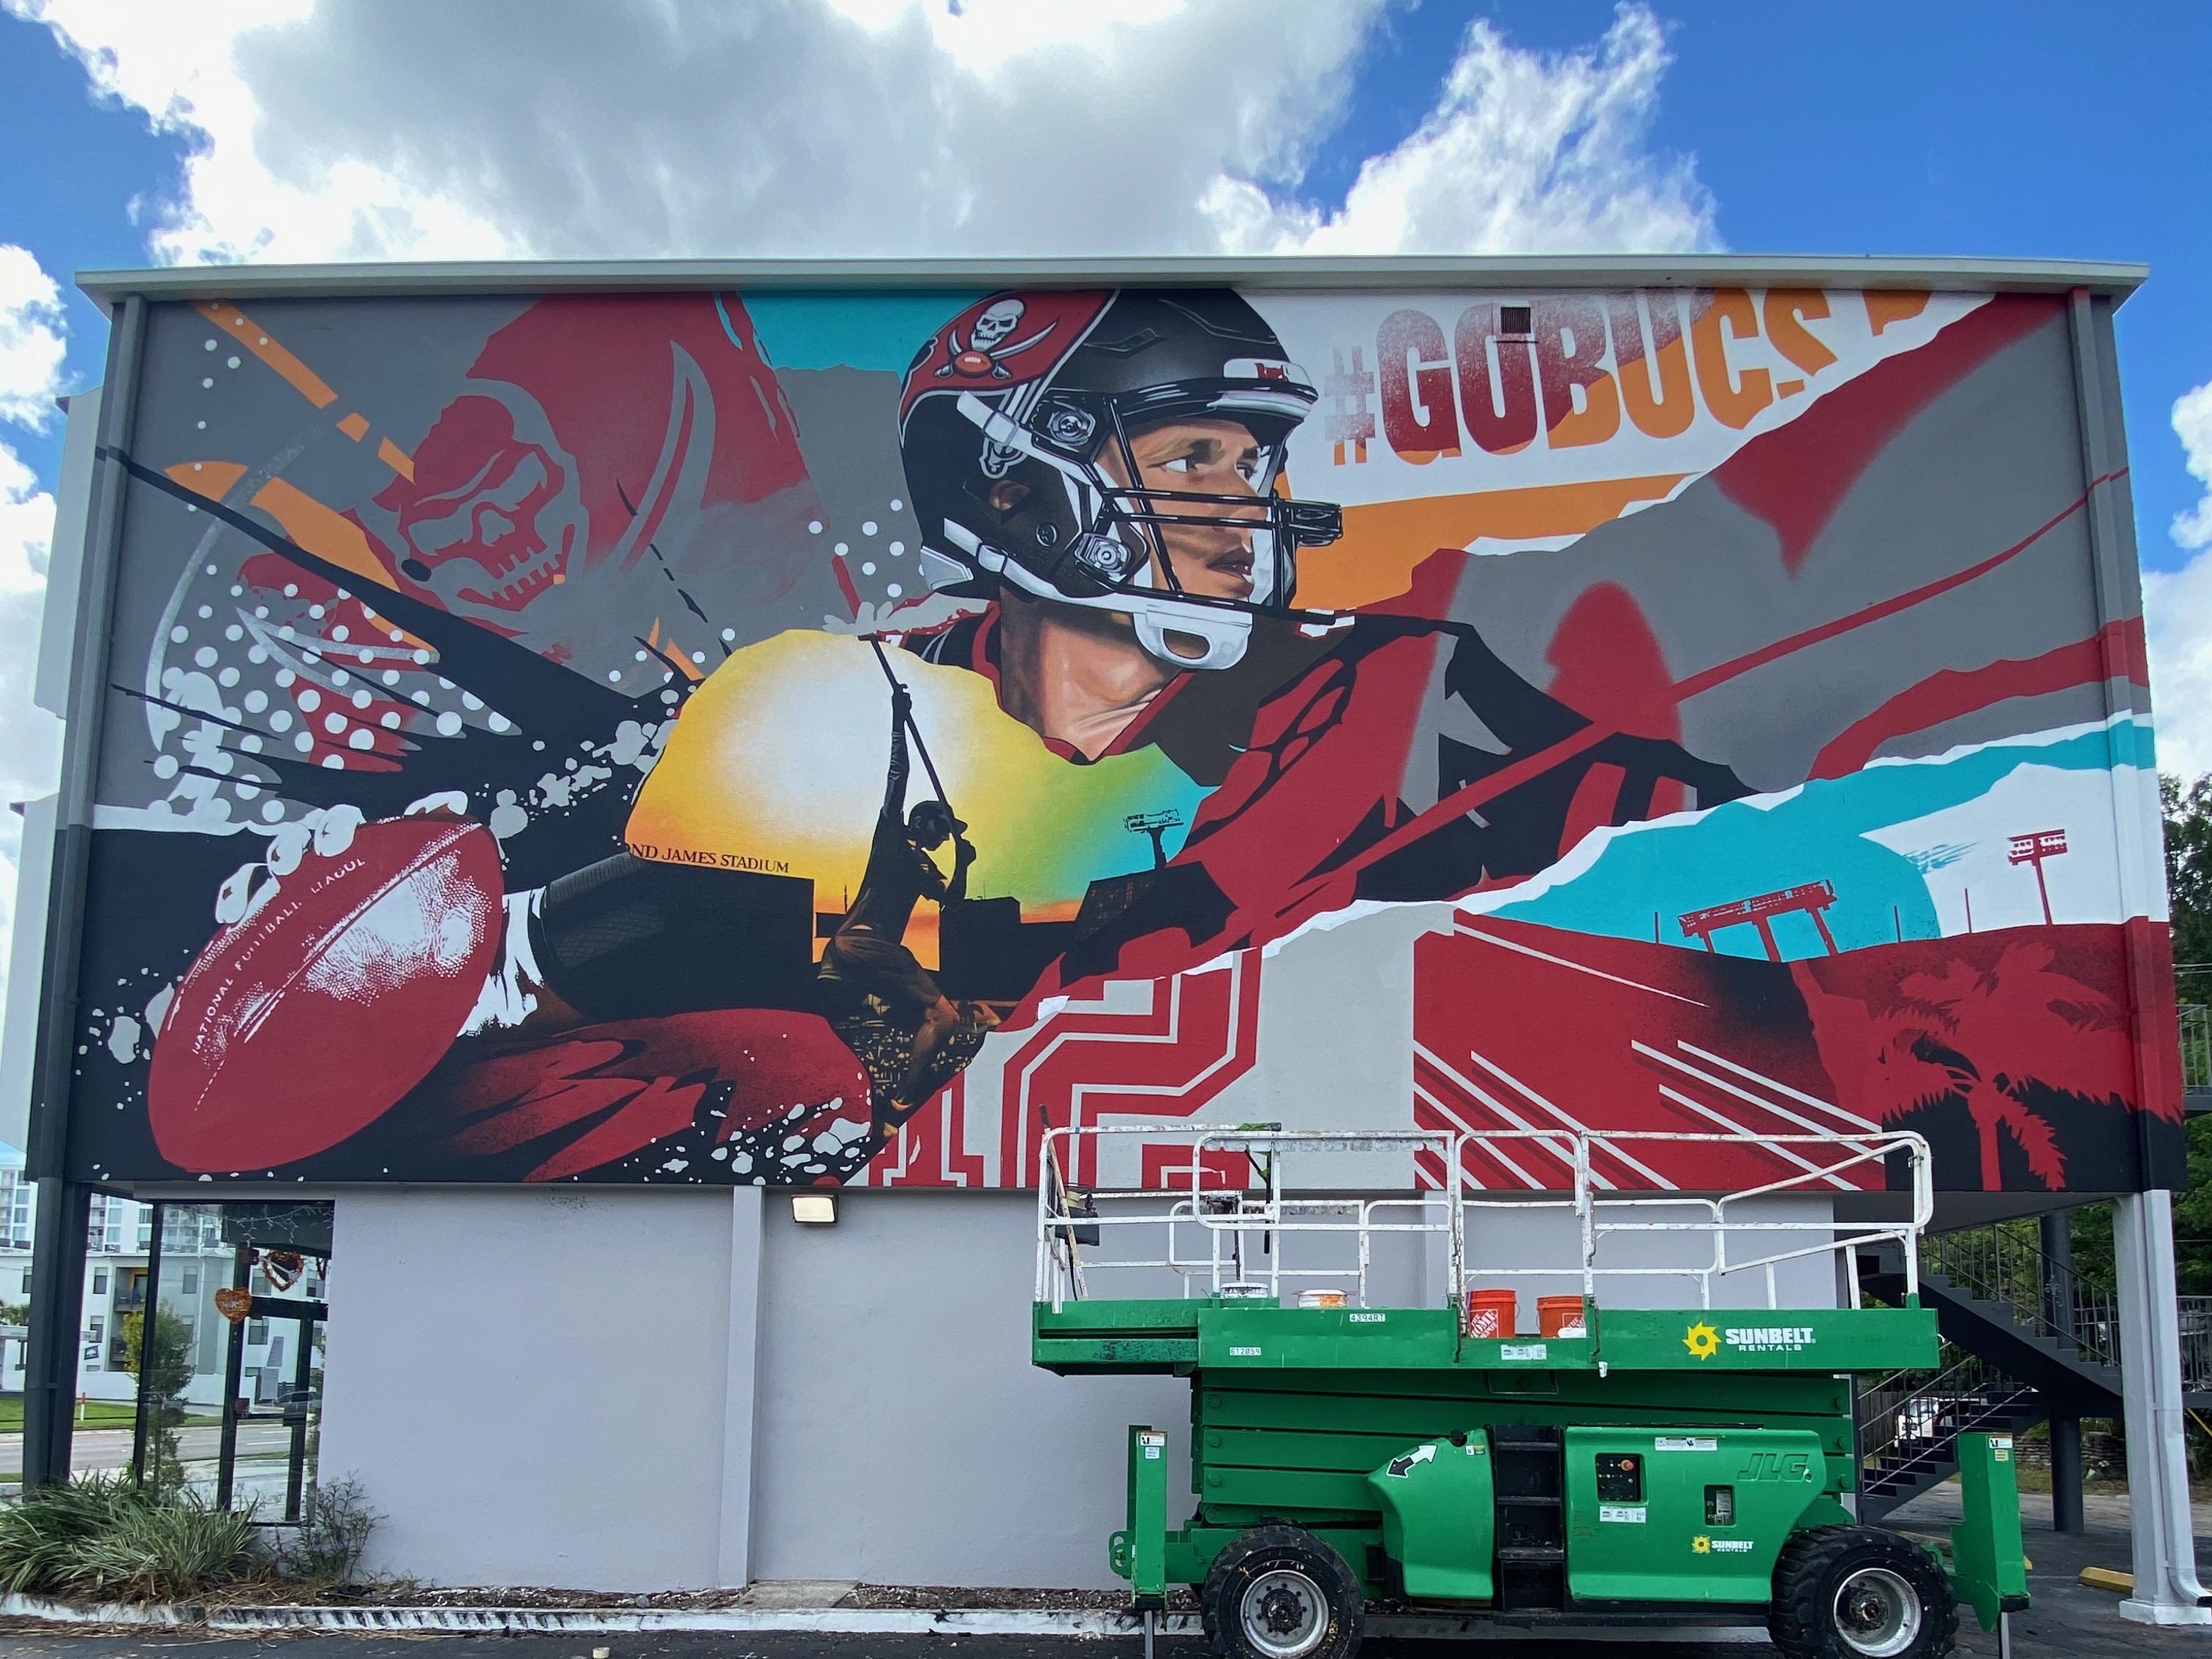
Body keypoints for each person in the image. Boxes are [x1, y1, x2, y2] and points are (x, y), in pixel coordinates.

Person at [817, 682, 977, 1106]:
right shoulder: (892, 837)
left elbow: (952, 903)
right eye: (942, 829)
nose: (944, 837)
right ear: (923, 822)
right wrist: (898, 719)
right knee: (942, 1016)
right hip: (864, 942)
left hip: (857, 957)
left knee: (905, 1020)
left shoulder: (926, 866)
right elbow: (897, 775)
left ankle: (868, 1088)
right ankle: (906, 1099)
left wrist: (964, 863)